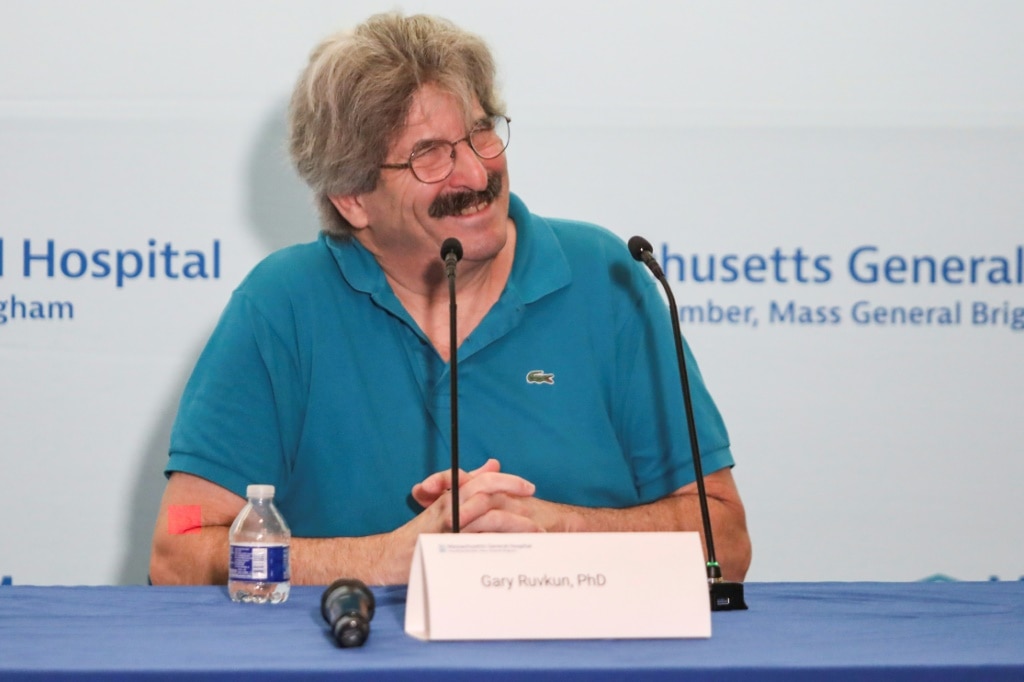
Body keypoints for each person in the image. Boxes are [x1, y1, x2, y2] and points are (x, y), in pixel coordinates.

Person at [149, 12, 751, 586]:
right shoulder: (281, 305)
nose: (475, 172)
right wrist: (386, 558)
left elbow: (724, 538)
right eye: (428, 154)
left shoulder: (606, 278)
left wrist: (554, 531)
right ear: (352, 197)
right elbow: (180, 548)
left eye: (481, 131)